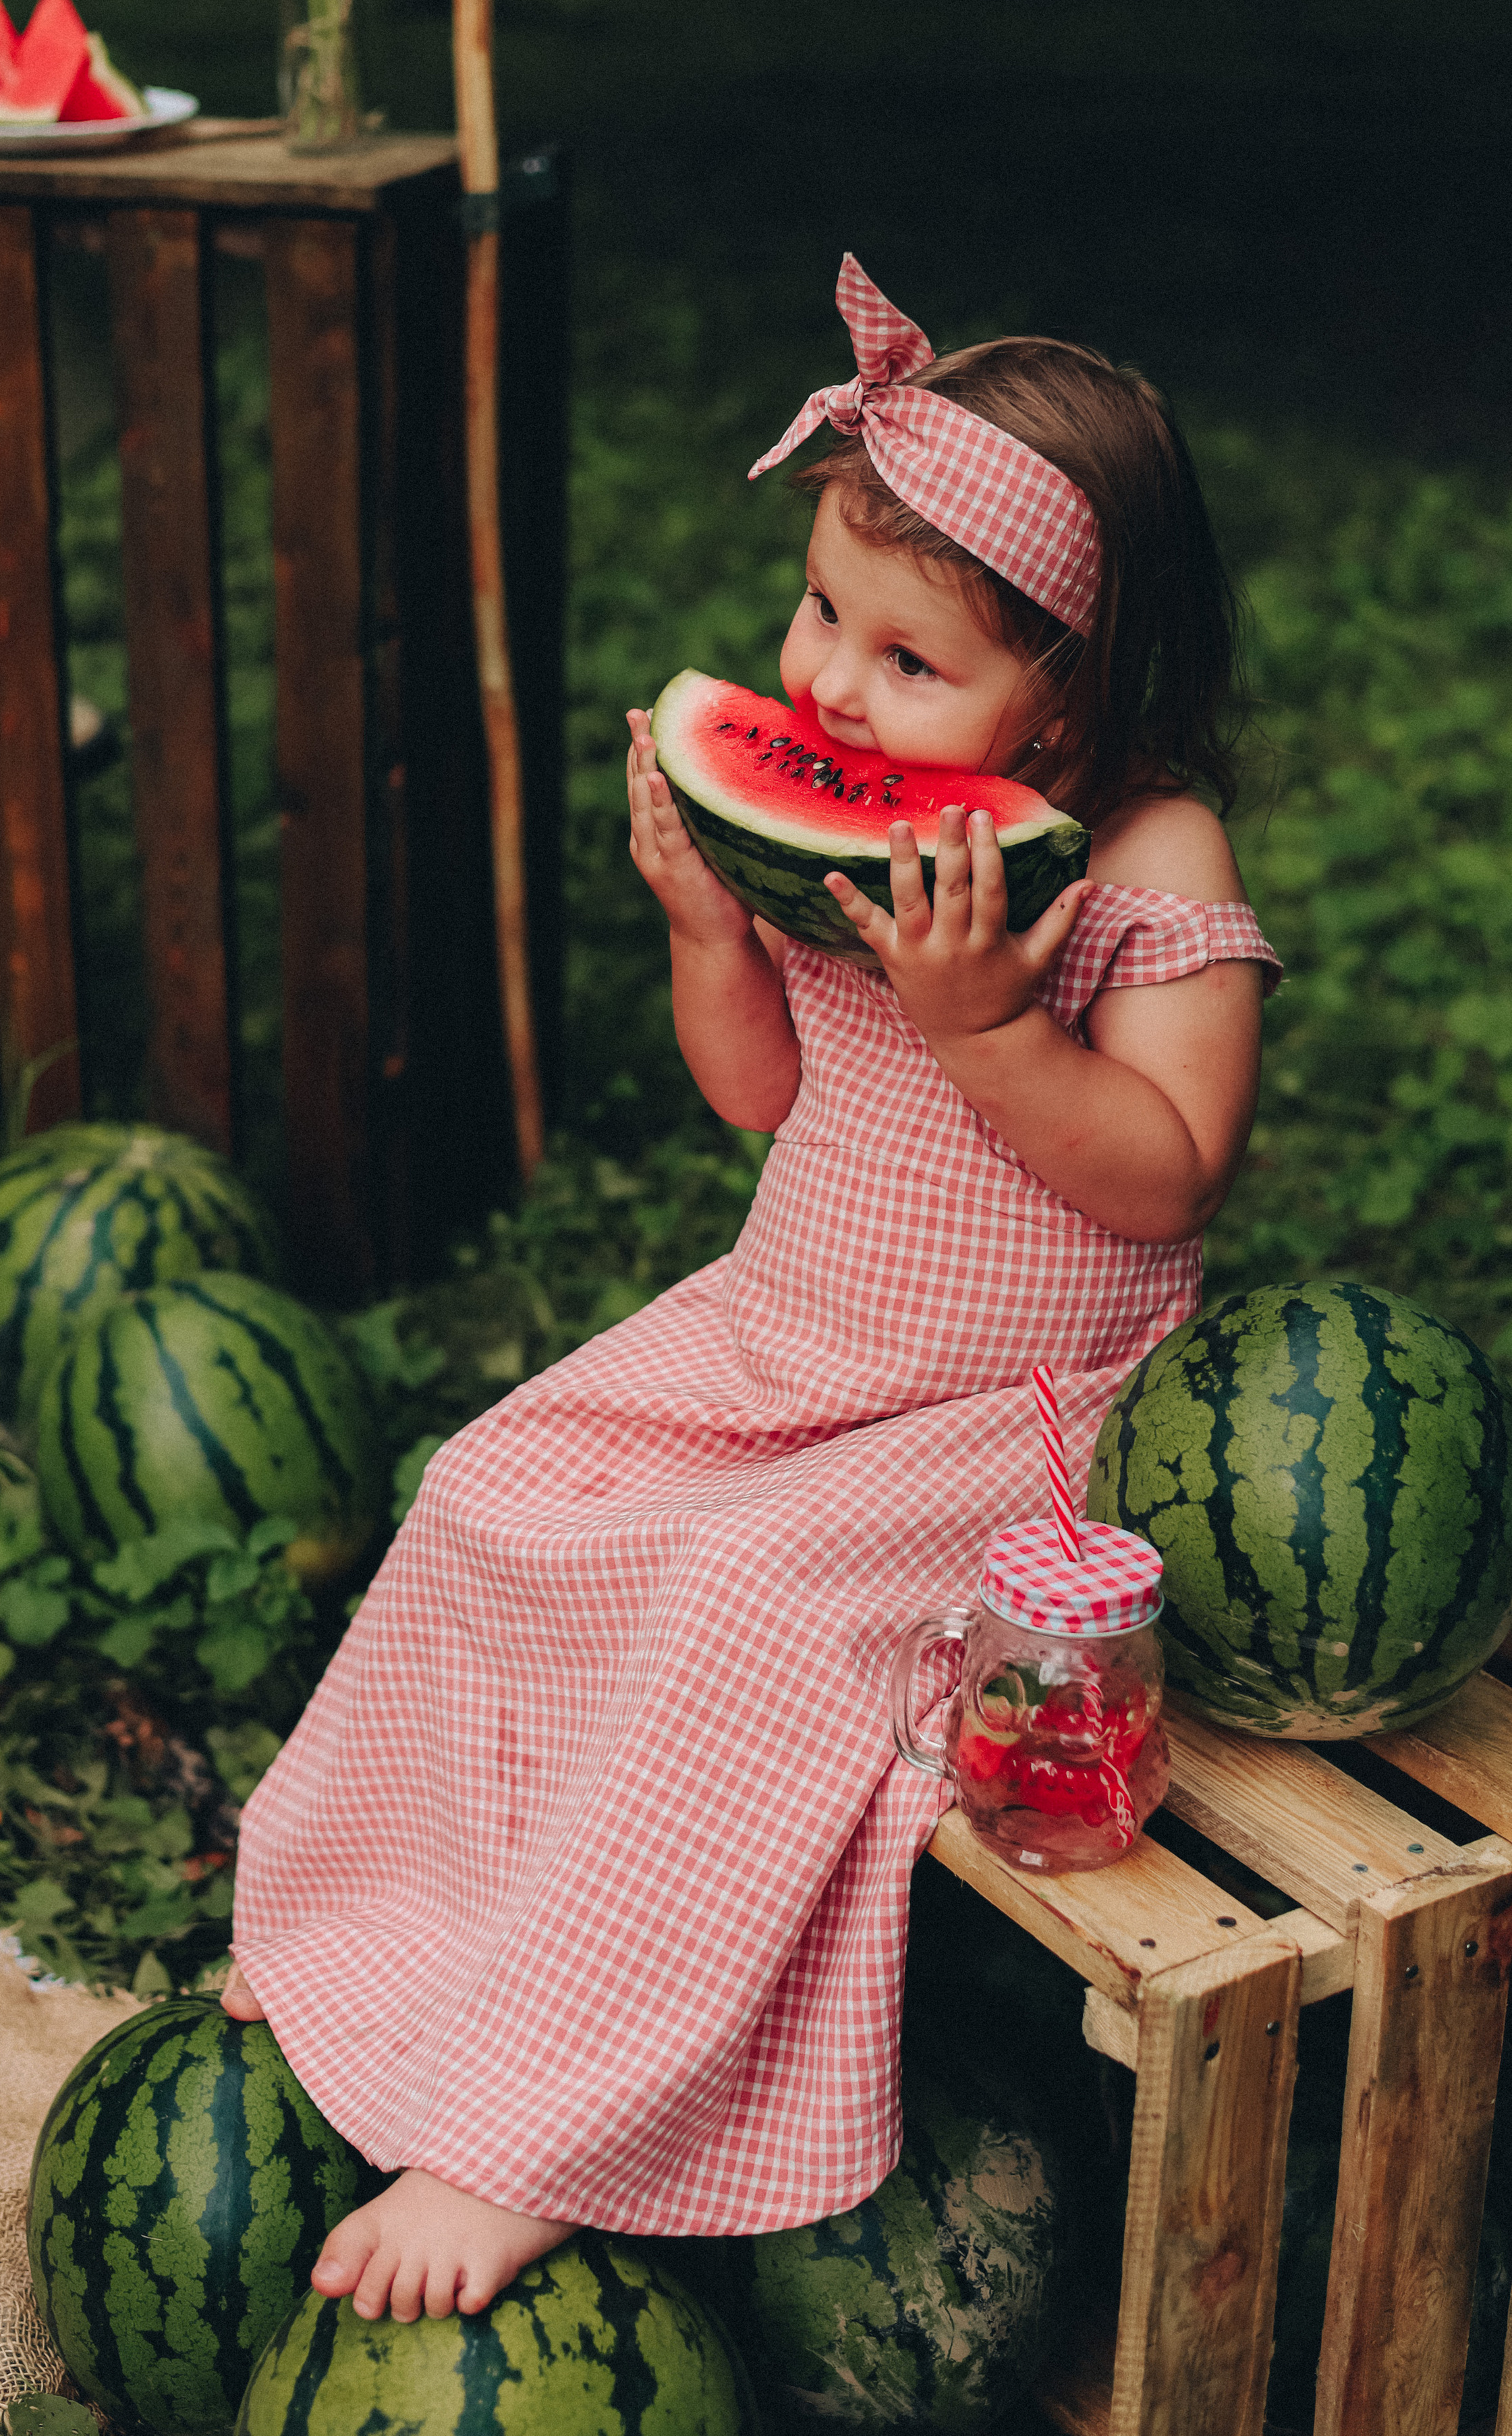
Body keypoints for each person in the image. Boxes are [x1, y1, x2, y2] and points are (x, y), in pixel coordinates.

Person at [224, 254, 1279, 2329]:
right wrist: (707, 929)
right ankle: (386, 1928)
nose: (831, 688)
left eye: (909, 657)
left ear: (1069, 703)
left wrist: (989, 1027)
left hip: (1011, 1421)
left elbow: (1170, 1166)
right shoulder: (841, 833)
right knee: (495, 1490)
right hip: (781, 1337)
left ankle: (533, 2129)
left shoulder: (1151, 859)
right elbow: (760, 1095)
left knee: (739, 1606)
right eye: (819, 613)